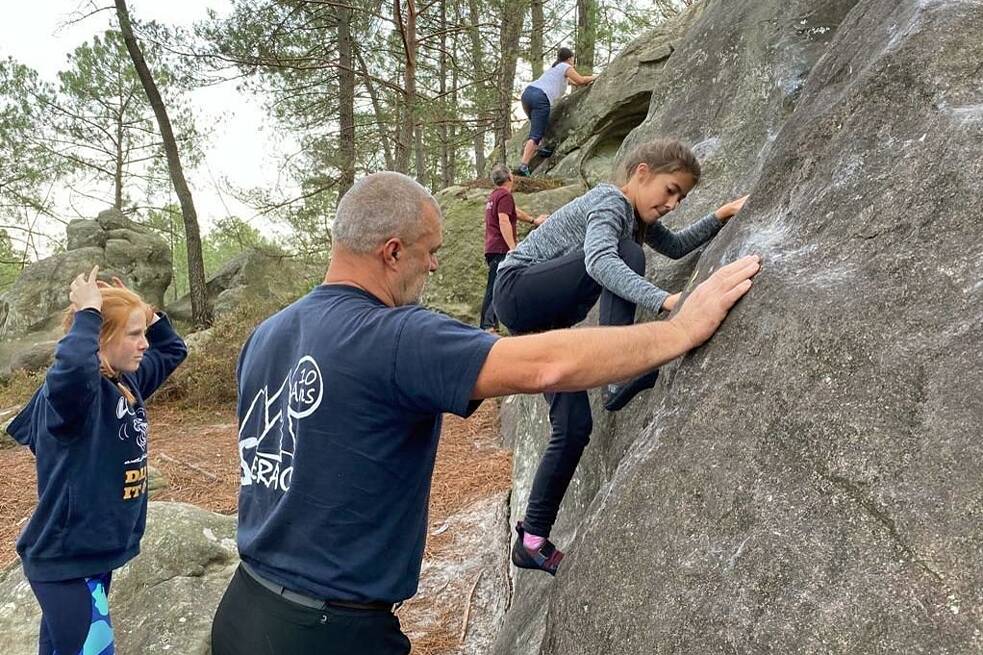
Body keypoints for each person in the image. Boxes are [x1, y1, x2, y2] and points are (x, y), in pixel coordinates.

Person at [210, 171, 759, 654]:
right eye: (429, 250)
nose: (434, 264)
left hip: (244, 607)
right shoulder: (394, 335)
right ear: (392, 251)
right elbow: (545, 364)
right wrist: (680, 329)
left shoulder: (267, 336)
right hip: (327, 632)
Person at [493, 138, 748, 575]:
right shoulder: (611, 201)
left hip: (541, 326)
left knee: (574, 426)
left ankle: (532, 538)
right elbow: (598, 262)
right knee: (624, 253)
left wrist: (721, 216)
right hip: (517, 290)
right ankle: (617, 374)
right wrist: (667, 302)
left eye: (681, 197)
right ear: (641, 173)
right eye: (670, 190)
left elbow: (676, 245)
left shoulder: (636, 218)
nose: (673, 203)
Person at [7, 266, 188, 655]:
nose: (144, 344)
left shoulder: (127, 381)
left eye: (143, 334)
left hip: (93, 555)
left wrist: (146, 313)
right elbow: (72, 368)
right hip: (66, 560)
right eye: (134, 335)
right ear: (102, 338)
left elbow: (173, 350)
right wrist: (88, 313)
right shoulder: (74, 399)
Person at [480, 163, 548, 332]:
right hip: (501, 249)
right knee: (497, 285)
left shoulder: (495, 196)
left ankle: (489, 324)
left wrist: (533, 220)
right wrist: (513, 248)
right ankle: (488, 326)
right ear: (510, 177)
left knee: (496, 284)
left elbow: (514, 211)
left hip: (492, 248)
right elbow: (504, 220)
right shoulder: (505, 196)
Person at [516, 47, 596, 176]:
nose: (573, 62)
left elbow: (574, 83)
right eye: (573, 59)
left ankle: (543, 148)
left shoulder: (554, 70)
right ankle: (523, 166)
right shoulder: (565, 66)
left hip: (528, 94)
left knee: (540, 128)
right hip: (540, 97)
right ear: (569, 58)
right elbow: (580, 80)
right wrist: (596, 76)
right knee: (536, 134)